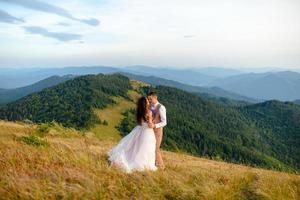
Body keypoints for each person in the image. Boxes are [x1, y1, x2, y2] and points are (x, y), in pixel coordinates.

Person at [107, 97, 157, 173]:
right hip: (147, 132)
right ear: (145, 103)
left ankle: (136, 161)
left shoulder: (140, 112)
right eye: (147, 101)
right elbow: (150, 124)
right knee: (146, 148)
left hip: (140, 130)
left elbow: (141, 122)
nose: (148, 102)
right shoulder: (149, 112)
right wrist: (153, 124)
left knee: (138, 147)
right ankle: (144, 164)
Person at [147, 91, 167, 169]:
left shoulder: (161, 107)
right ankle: (153, 164)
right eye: (148, 99)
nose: (149, 101)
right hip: (150, 131)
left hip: (158, 131)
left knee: (156, 148)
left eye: (150, 99)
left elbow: (164, 122)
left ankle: (161, 166)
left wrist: (155, 125)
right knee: (150, 147)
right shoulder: (151, 106)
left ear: (155, 97)